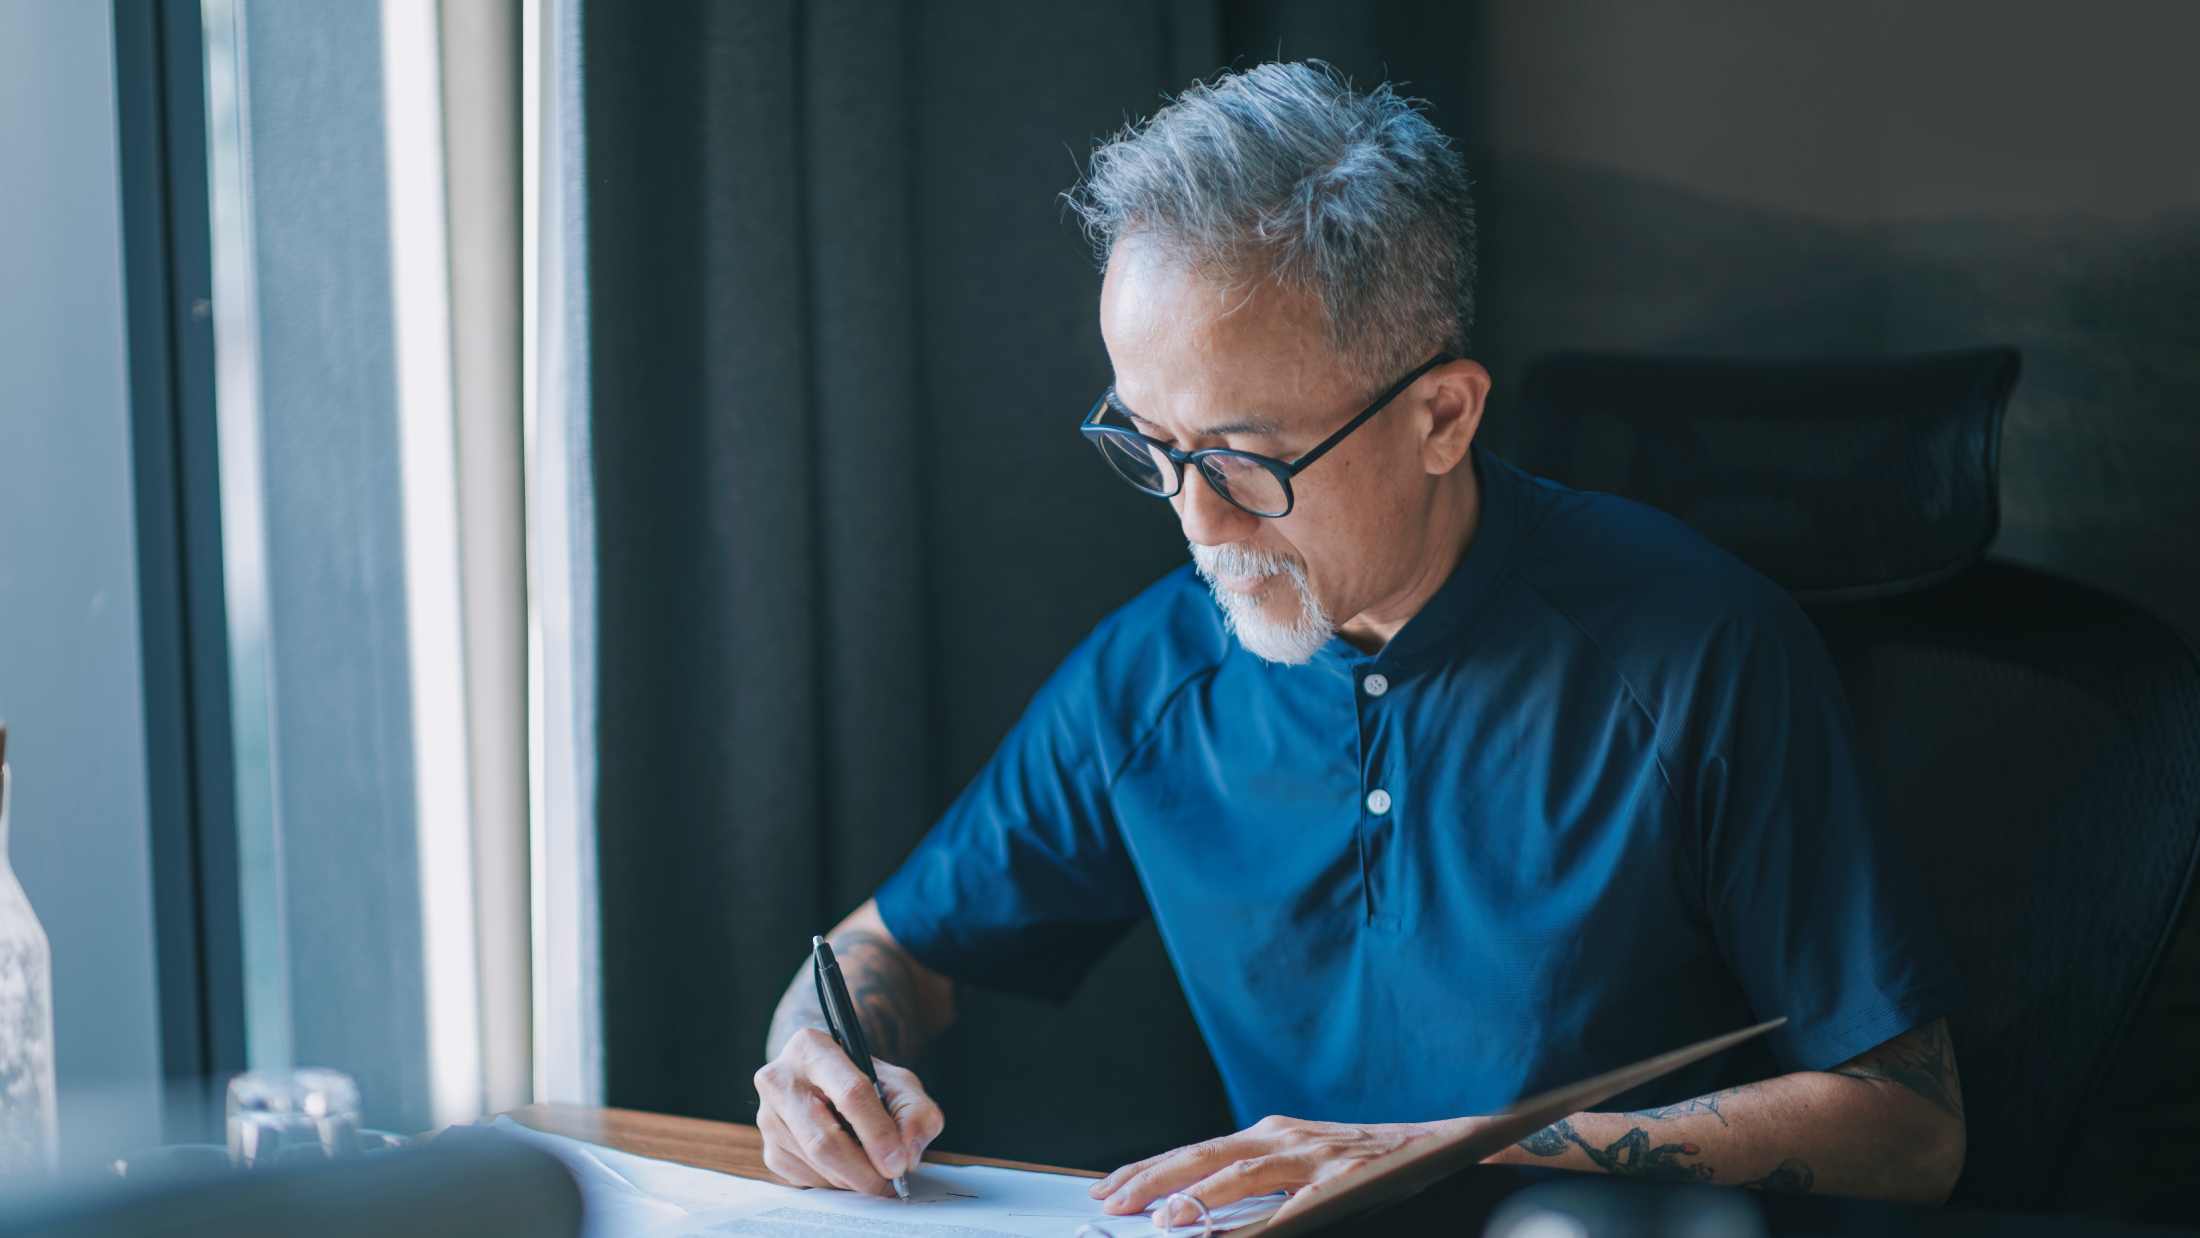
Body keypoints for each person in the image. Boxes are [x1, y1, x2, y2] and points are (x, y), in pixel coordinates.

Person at [752, 61, 1965, 1221]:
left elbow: (1910, 1126)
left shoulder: (1695, 657)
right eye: (1151, 446)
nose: (1195, 520)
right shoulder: (1155, 679)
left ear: (1442, 415)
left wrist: (1444, 1149)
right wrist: (820, 1062)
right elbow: (881, 951)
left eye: (1241, 458)